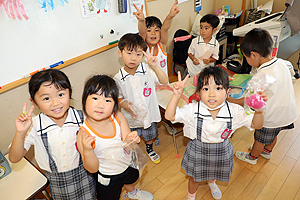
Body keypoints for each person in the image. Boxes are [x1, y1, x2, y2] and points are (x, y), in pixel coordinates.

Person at [165, 67, 265, 200]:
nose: (212, 94)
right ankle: (191, 196)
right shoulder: (193, 109)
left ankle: (212, 183)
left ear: (228, 92)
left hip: (221, 150)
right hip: (198, 150)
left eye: (218, 88)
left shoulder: (234, 110)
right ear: (198, 93)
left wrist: (259, 111)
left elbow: (256, 125)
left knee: (214, 173)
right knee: (194, 178)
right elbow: (169, 116)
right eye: (206, 89)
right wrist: (176, 95)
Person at [9, 69, 96, 200]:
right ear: (35, 102)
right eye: (46, 98)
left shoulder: (82, 118)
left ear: (70, 92)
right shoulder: (34, 125)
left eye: (61, 94)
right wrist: (20, 133)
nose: (55, 103)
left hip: (85, 176)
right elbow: (14, 158)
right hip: (56, 183)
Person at [76, 75, 153, 200]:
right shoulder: (84, 133)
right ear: (84, 100)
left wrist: (132, 138)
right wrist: (88, 150)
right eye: (95, 98)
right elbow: (92, 168)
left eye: (108, 100)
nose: (101, 105)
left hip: (127, 164)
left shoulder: (117, 116)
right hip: (108, 176)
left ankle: (132, 193)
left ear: (114, 104)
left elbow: (127, 139)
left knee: (130, 179)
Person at [231, 28, 298, 165]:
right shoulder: (282, 63)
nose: (246, 60)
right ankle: (267, 152)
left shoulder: (261, 77)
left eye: (245, 57)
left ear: (254, 55)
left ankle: (253, 157)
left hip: (271, 117)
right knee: (273, 136)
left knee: (259, 139)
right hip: (286, 113)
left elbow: (251, 101)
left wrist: (233, 101)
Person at [114, 33, 168, 164]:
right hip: (131, 117)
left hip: (148, 113)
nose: (134, 58)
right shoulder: (118, 78)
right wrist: (125, 105)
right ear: (120, 53)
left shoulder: (148, 69)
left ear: (143, 55)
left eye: (138, 54)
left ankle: (149, 148)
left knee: (150, 134)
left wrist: (155, 66)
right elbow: (119, 98)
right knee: (133, 136)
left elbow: (164, 81)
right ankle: (134, 152)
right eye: (129, 53)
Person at [133, 1, 180, 79]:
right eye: (149, 30)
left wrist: (170, 16)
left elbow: (164, 29)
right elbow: (142, 32)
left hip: (163, 86)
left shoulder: (162, 45)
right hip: (148, 89)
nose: (153, 33)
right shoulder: (142, 47)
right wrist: (141, 20)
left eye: (156, 30)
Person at [184, 14, 220, 78]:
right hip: (192, 70)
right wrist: (193, 59)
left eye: (206, 28)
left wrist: (209, 60)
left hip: (206, 71)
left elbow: (215, 57)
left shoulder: (215, 44)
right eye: (201, 27)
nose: (203, 31)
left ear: (214, 30)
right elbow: (190, 53)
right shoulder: (195, 41)